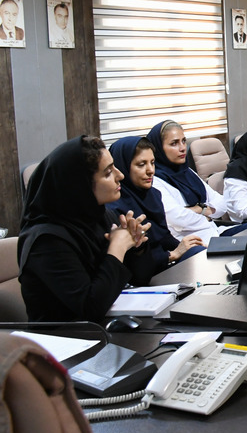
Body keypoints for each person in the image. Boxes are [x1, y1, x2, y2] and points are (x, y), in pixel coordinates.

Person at [18, 136, 151, 322]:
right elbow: (90, 308)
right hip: (66, 336)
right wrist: (117, 248)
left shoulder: (101, 215)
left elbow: (141, 279)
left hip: (112, 326)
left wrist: (137, 246)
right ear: (79, 186)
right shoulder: (46, 241)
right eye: (108, 173)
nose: (120, 175)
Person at [108, 136, 204, 274]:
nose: (150, 170)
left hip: (164, 266)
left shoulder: (153, 195)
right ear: (122, 167)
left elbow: (164, 238)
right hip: (144, 276)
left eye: (152, 163)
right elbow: (132, 263)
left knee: (201, 253)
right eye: (141, 164)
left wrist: (186, 246)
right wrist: (172, 255)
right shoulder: (115, 207)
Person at [147, 120, 228, 239]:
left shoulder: (187, 172)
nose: (182, 148)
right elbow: (179, 219)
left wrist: (200, 209)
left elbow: (222, 204)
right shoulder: (155, 181)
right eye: (174, 143)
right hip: (193, 242)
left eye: (183, 141)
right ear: (158, 148)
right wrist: (207, 213)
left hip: (214, 232)